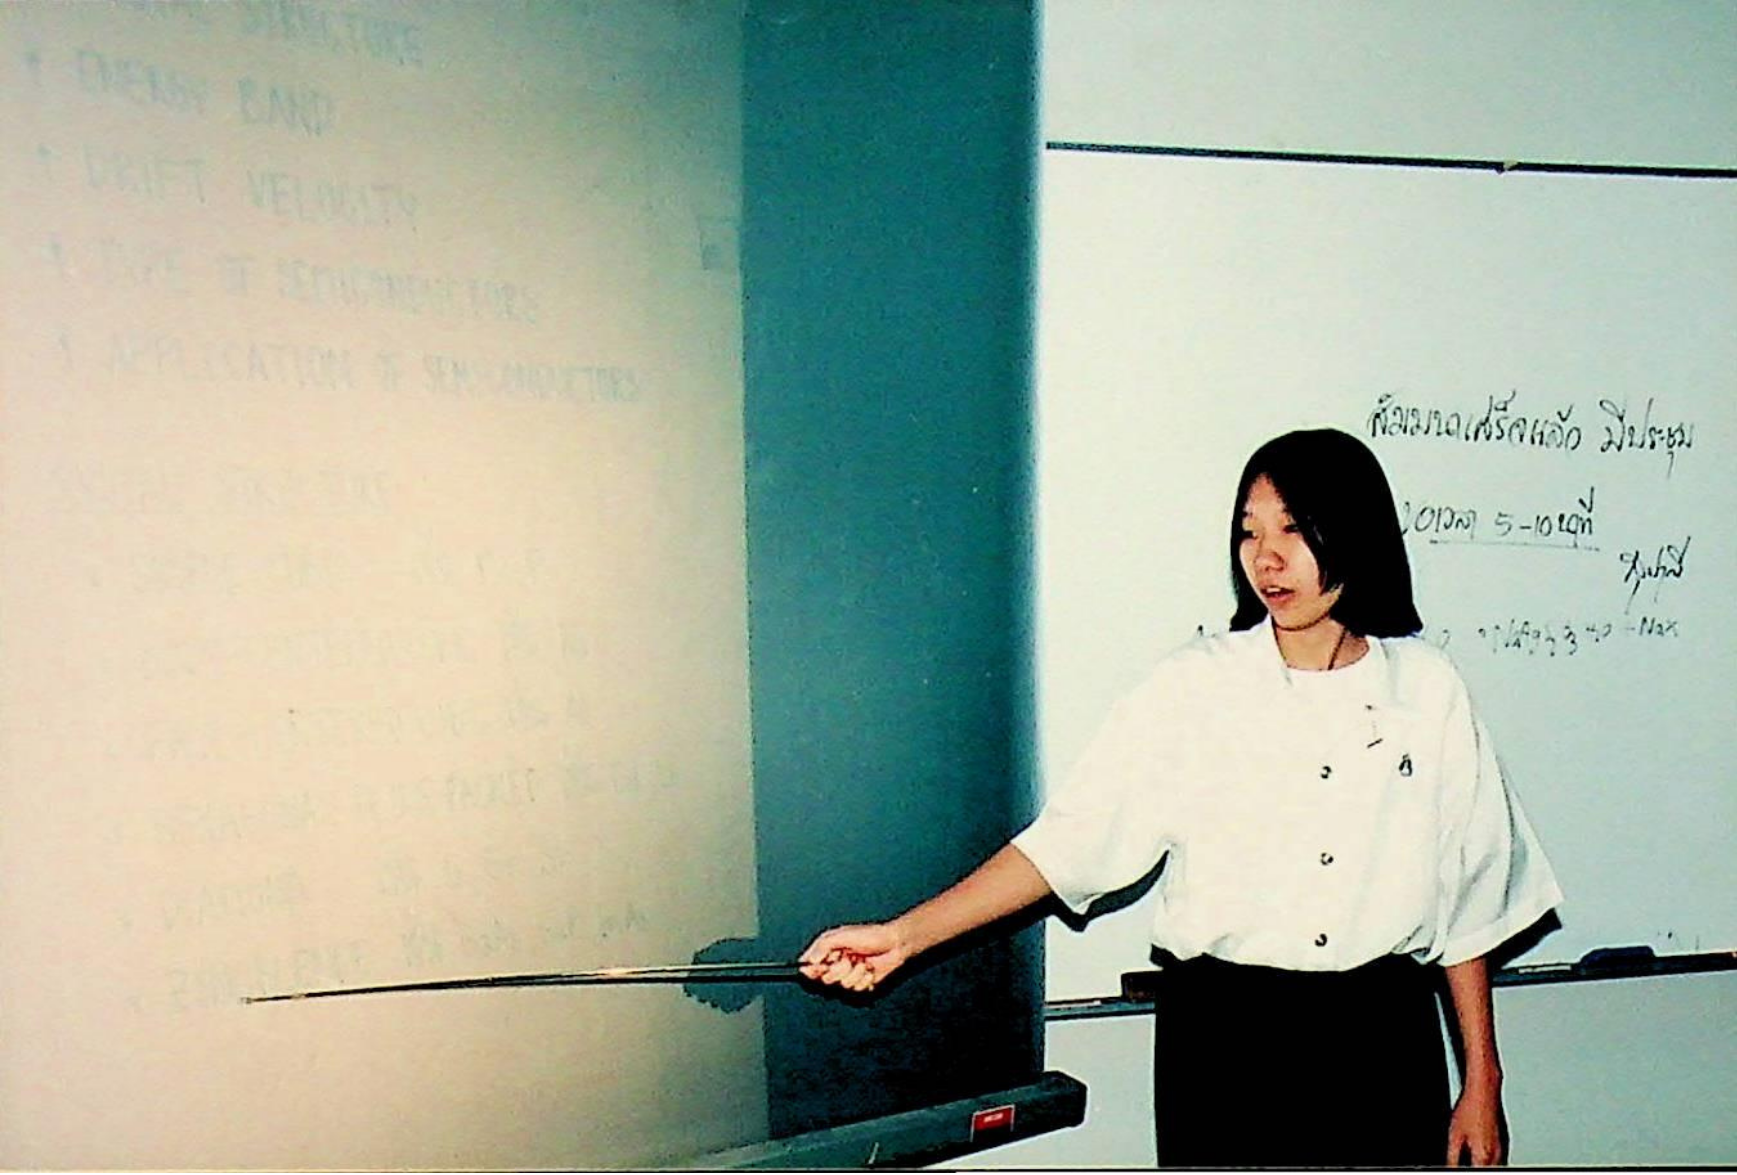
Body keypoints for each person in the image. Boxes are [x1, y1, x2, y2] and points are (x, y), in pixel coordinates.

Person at [800, 428, 1562, 1168]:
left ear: (1354, 533)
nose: (1265, 557)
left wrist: (1482, 1081)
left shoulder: (1427, 688)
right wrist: (904, 935)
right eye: (1248, 532)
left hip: (1383, 1039)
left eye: (1293, 529)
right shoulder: (1196, 685)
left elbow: (1468, 900)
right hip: (1228, 1041)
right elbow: (1069, 843)